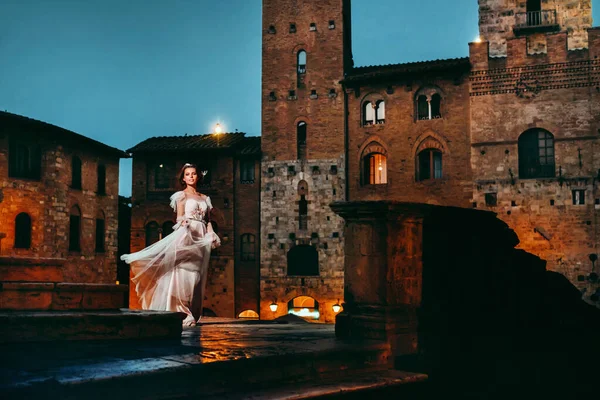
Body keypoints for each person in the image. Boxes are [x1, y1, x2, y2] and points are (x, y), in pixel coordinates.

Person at [121, 163, 220, 326]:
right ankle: (182, 311)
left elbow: (208, 220)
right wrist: (185, 224)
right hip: (187, 234)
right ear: (183, 178)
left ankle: (191, 310)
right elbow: (179, 218)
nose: (191, 176)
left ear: (198, 176)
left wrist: (211, 233)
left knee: (196, 274)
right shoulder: (181, 196)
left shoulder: (205, 199)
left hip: (202, 237)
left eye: (193, 174)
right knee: (183, 272)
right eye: (187, 174)